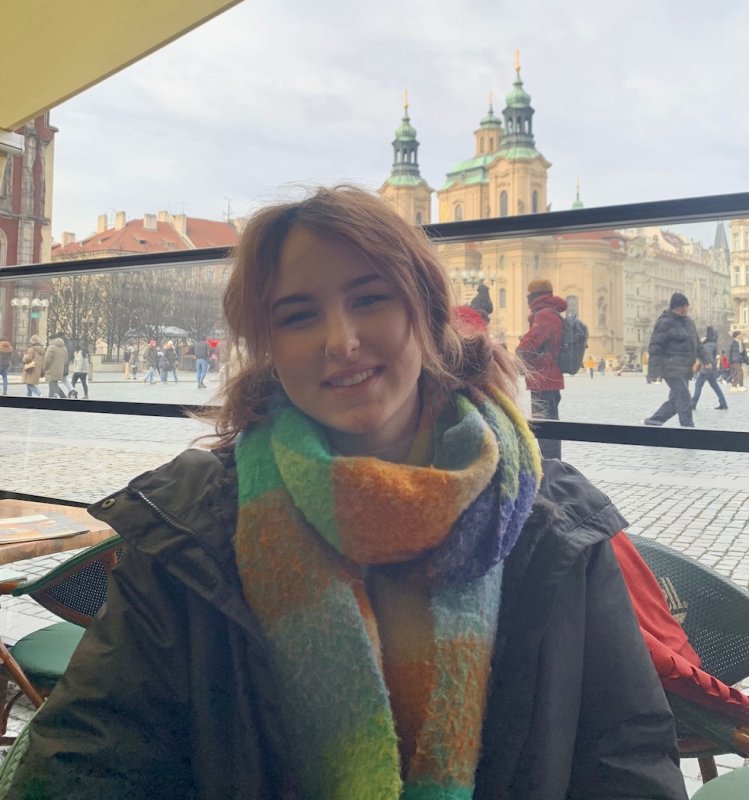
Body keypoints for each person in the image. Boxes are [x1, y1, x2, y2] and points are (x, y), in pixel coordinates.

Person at [3, 187, 687, 800]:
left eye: (369, 299)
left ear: (425, 308)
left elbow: (623, 758)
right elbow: (94, 746)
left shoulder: (550, 521)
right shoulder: (196, 517)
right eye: (299, 316)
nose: (343, 340)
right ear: (268, 342)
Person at [515, 278, 566, 459]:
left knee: (545, 423)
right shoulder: (550, 312)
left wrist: (519, 348)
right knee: (548, 420)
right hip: (549, 377)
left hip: (544, 378)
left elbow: (531, 343)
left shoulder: (544, 315)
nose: (528, 300)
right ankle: (552, 460)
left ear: (536, 296)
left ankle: (552, 462)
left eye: (530, 296)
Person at [644, 292, 703, 427]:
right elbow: (655, 347)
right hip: (669, 367)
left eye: (686, 307)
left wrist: (707, 359)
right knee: (684, 397)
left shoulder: (688, 322)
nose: (686, 310)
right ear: (676, 307)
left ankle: (655, 420)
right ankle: (687, 427)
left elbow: (697, 344)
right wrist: (653, 372)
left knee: (677, 399)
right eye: (683, 307)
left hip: (685, 368)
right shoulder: (665, 322)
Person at [691, 326, 727, 411]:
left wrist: (707, 364)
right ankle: (723, 403)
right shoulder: (714, 343)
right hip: (711, 368)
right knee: (715, 386)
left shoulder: (708, 344)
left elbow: (707, 355)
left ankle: (693, 404)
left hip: (706, 368)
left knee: (698, 385)